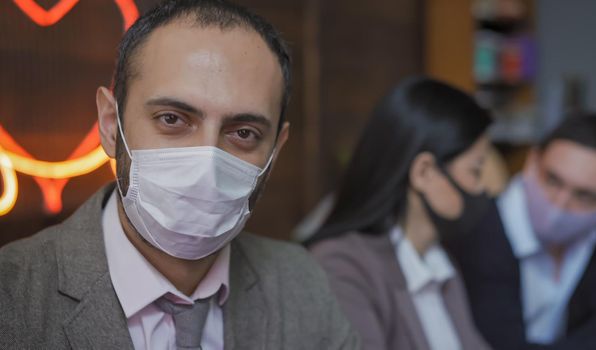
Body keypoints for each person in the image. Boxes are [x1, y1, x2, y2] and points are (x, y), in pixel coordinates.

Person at [0, 1, 359, 349]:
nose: (206, 163)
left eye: (244, 133)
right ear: (110, 125)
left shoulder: (302, 284)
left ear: (275, 150)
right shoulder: (13, 296)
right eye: (172, 119)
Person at [308, 77, 493, 350]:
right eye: (475, 171)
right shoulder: (341, 265)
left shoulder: (440, 264)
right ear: (424, 172)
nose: (482, 187)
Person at [443, 114, 596, 350]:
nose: (560, 203)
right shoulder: (479, 232)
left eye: (584, 195)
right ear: (532, 162)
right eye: (553, 180)